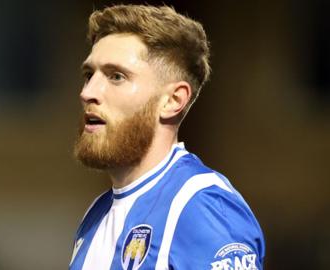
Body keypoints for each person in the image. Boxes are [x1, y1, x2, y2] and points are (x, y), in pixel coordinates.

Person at [70, 4, 265, 270]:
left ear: (173, 100)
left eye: (116, 76)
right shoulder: (95, 215)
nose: (88, 92)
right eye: (89, 75)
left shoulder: (202, 207)